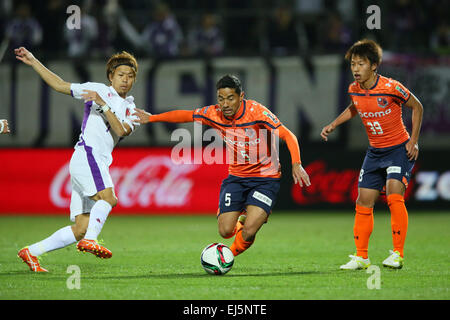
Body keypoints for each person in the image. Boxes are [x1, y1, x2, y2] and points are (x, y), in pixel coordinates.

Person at [133, 74, 311, 257]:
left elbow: (289, 135)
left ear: (241, 96)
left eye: (230, 98)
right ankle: (242, 222)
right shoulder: (213, 113)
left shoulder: (257, 112)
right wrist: (153, 118)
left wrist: (296, 164)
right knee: (225, 231)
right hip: (237, 178)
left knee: (249, 231)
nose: (225, 104)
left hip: (265, 180)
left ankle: (227, 256)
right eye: (221, 98)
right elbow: (185, 115)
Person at [14, 47, 140, 272]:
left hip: (96, 161)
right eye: (121, 75)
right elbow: (59, 85)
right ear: (111, 76)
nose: (125, 80)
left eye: (130, 77)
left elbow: (121, 131)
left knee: (81, 227)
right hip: (88, 155)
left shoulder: (131, 109)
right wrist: (34, 61)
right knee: (109, 198)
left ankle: (31, 252)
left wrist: (103, 104)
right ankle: (91, 240)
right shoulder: (96, 89)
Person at [320, 39, 423, 270]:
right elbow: (355, 106)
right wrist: (333, 124)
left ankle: (397, 254)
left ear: (374, 65)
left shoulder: (391, 87)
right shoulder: (354, 89)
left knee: (394, 194)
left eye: (361, 64)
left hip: (398, 148)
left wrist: (413, 141)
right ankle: (362, 257)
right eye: (353, 64)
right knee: (364, 200)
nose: (356, 69)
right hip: (375, 152)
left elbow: (417, 106)